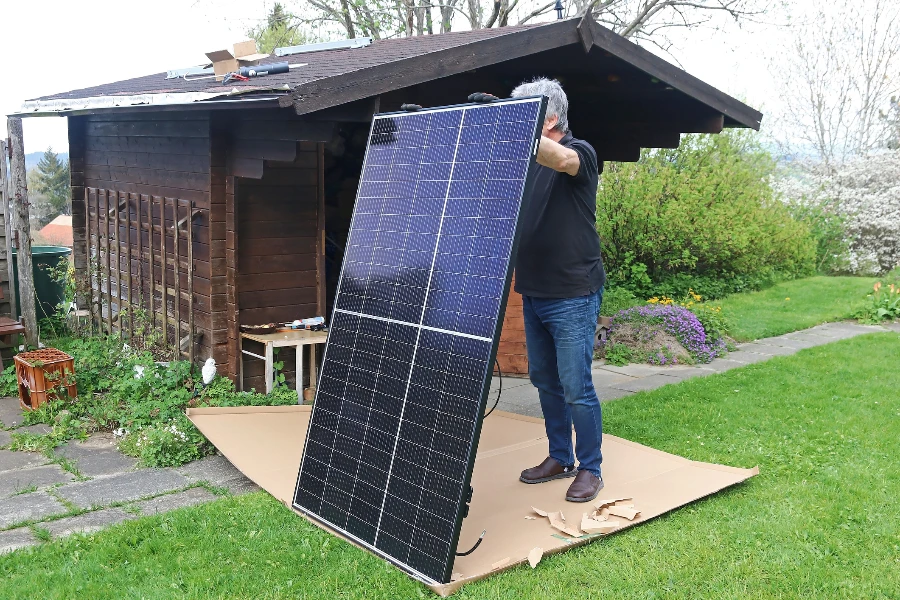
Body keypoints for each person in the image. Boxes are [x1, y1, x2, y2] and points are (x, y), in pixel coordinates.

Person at [510, 78, 606, 502]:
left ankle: (591, 468)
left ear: (549, 116)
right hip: (535, 291)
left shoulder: (579, 152)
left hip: (572, 293)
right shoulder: (528, 165)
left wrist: (510, 125)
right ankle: (559, 456)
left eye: (524, 112)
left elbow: (561, 158)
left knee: (575, 384)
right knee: (544, 379)